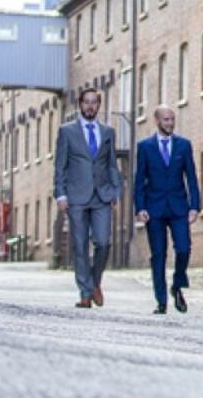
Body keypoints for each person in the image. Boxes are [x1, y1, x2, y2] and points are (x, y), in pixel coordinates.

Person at [54, 88, 121, 309]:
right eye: (86, 102)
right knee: (80, 246)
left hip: (102, 196)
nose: (90, 106)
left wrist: (115, 191)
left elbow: (112, 165)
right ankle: (84, 292)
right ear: (80, 105)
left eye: (94, 103)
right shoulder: (67, 132)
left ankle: (95, 282)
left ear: (99, 105)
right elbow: (60, 166)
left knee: (103, 242)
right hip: (76, 197)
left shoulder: (108, 132)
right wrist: (61, 194)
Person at [134, 105, 201, 315]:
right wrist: (140, 207)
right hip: (154, 208)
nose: (170, 123)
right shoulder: (145, 147)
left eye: (172, 119)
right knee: (159, 254)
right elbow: (139, 180)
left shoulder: (183, 145)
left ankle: (177, 285)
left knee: (183, 248)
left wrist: (194, 206)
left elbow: (191, 177)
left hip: (178, 207)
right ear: (157, 121)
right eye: (166, 120)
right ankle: (161, 300)